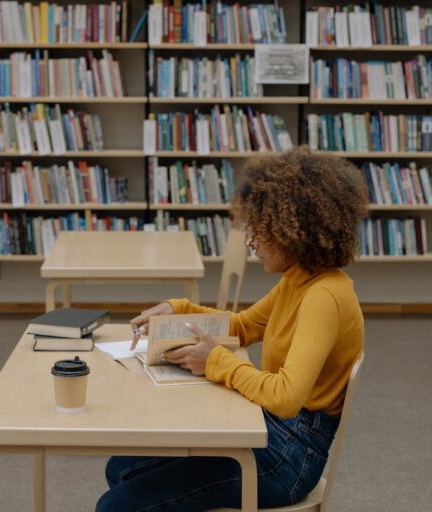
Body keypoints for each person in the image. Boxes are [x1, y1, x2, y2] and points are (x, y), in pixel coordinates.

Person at [95, 147, 368, 512]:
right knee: (122, 468)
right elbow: (242, 327)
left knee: (116, 506)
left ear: (295, 232)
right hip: (272, 430)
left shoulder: (324, 296)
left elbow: (287, 396)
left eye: (263, 231)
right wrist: (177, 309)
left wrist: (216, 361)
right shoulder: (299, 279)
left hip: (289, 456)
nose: (254, 244)